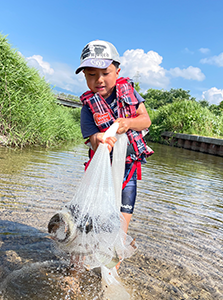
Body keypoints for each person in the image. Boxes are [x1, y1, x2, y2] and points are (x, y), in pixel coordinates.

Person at [76, 40, 153, 269]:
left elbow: (145, 120)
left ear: (117, 71)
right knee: (86, 224)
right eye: (91, 74)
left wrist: (128, 122)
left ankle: (112, 272)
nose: (99, 80)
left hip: (127, 173)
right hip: (101, 174)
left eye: (105, 73)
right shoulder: (88, 108)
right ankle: (75, 272)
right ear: (85, 77)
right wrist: (99, 139)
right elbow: (91, 139)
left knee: (120, 226)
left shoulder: (129, 93)